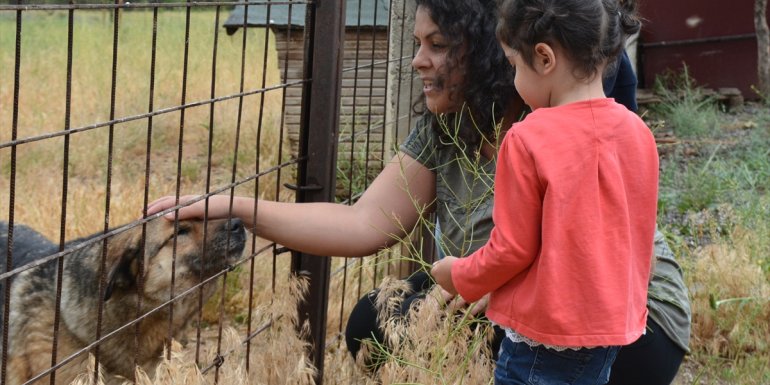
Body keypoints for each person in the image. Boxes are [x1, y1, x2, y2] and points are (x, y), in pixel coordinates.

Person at [146, 0, 691, 384]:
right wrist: (233, 207)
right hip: (562, 313)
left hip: (633, 323)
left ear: (486, 50)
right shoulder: (447, 128)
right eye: (416, 44)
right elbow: (362, 223)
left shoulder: (547, 122)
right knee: (372, 323)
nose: (417, 61)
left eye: (437, 44)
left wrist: (462, 278)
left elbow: (535, 252)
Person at [430, 0, 671, 384]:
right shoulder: (637, 133)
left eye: (513, 66)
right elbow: (638, 235)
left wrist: (460, 274)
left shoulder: (528, 139)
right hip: (610, 330)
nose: (513, 80)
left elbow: (512, 249)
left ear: (543, 58)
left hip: (542, 342)